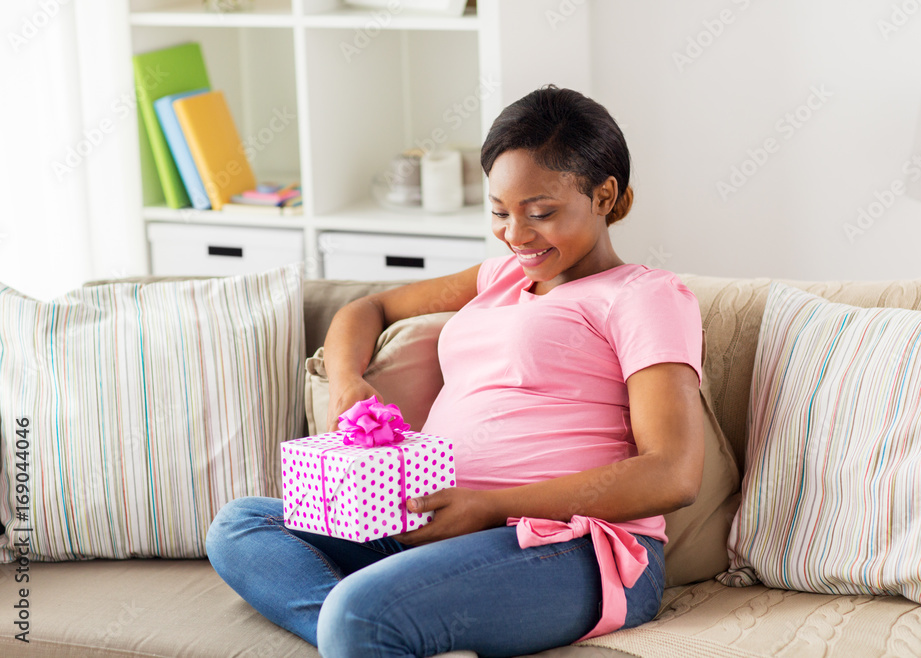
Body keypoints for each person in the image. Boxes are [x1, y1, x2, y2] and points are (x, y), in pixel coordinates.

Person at [206, 84, 705, 657]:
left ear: (604, 195)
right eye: (500, 212)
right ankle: (383, 630)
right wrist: (348, 383)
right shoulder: (500, 277)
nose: (516, 235)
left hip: (574, 547)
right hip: (436, 527)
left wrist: (490, 505)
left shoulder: (644, 296)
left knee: (358, 614)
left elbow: (672, 474)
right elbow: (367, 309)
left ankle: (372, 626)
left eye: (540, 213)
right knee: (241, 525)